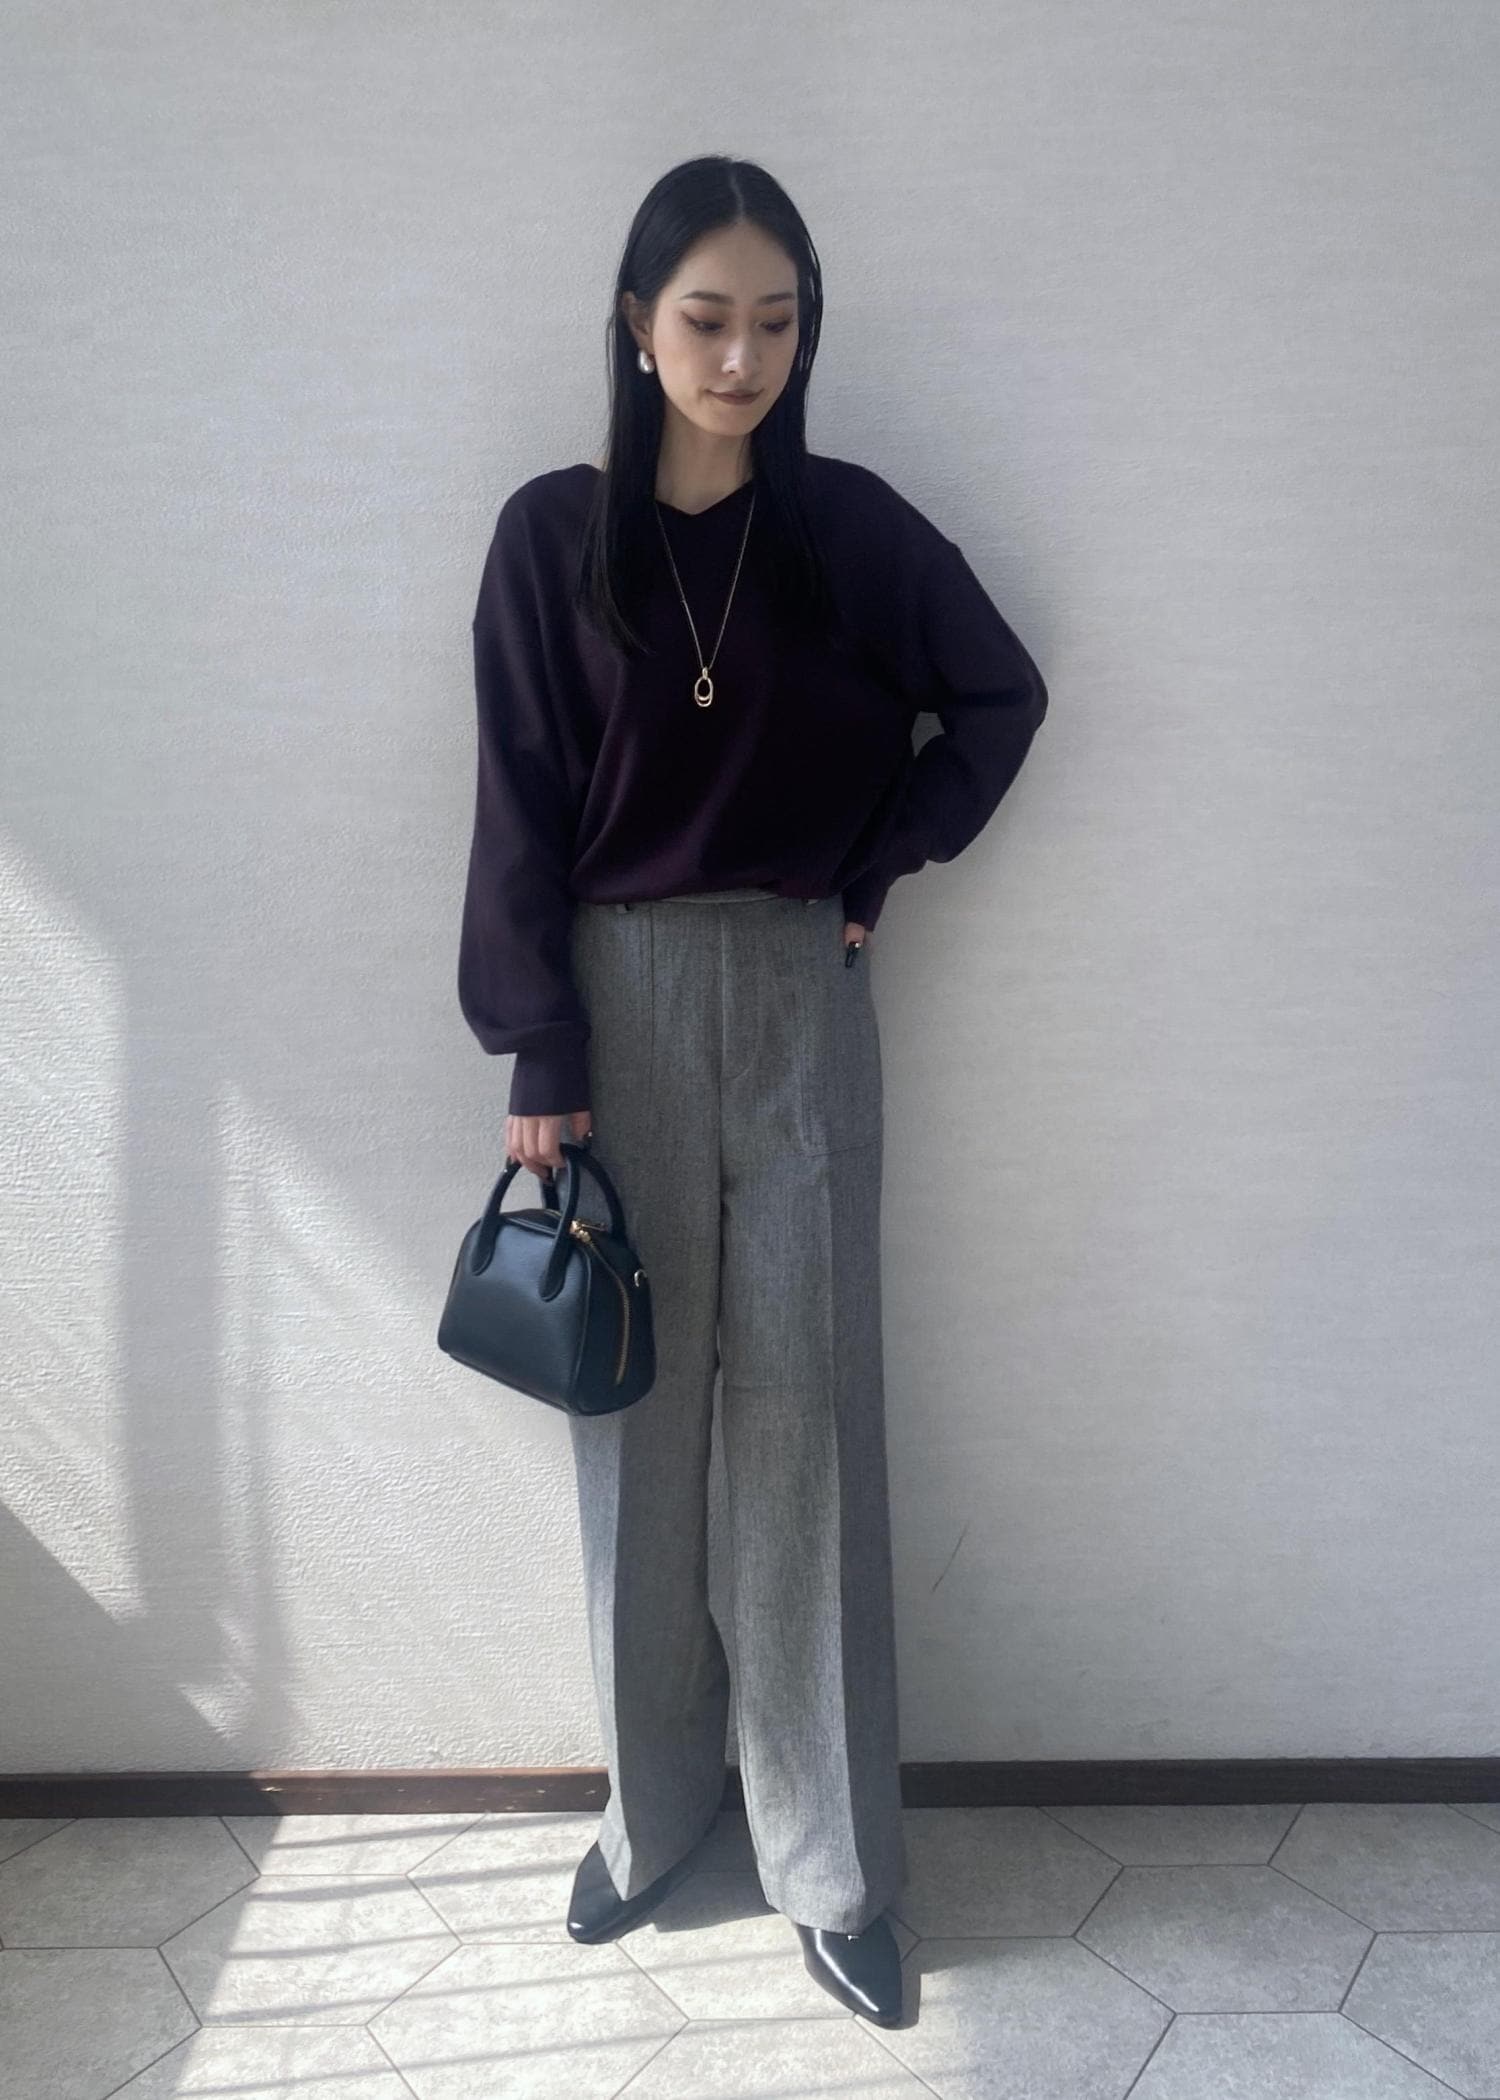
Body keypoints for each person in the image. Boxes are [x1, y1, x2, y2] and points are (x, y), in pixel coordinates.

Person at [457, 154, 1048, 2027]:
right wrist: (540, 1042)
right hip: (613, 999)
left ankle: (831, 1858)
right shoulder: (552, 539)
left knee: (807, 1427)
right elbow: (518, 800)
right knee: (634, 1428)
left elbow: (1002, 700)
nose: (742, 357)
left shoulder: (851, 532)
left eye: (777, 323)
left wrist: (881, 858)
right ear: (637, 326)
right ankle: (653, 1816)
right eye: (706, 318)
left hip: (802, 991)